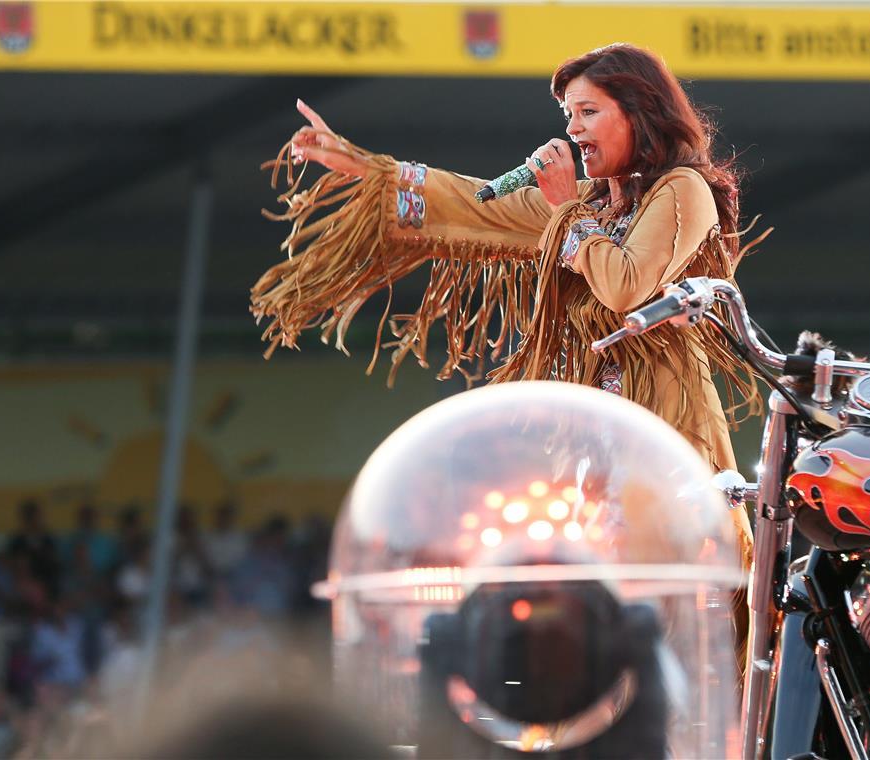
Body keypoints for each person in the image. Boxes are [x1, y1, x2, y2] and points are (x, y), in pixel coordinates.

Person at [251, 43, 763, 568]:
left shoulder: (683, 190)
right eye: (569, 116)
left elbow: (626, 287)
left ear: (640, 111)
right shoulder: (587, 204)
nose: (574, 131)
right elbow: (477, 205)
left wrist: (564, 209)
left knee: (678, 588)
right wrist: (366, 169)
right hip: (598, 430)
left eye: (589, 112)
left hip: (667, 422)